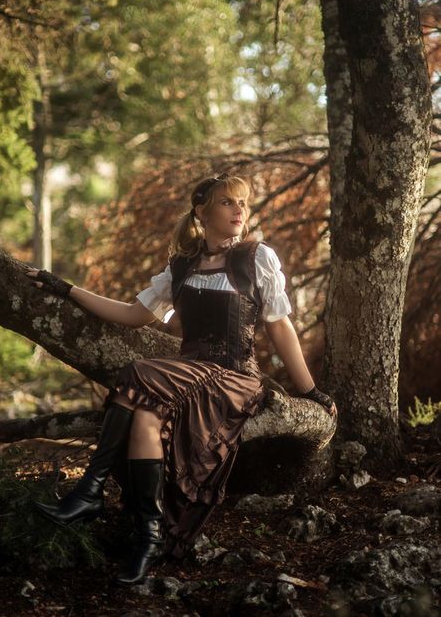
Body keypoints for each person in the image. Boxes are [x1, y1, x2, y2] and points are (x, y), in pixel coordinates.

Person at [27, 173, 336, 585]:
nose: (239, 210)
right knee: (145, 418)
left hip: (233, 378)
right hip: (187, 376)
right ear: (202, 212)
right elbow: (132, 315)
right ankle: (148, 537)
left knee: (136, 373)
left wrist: (310, 391)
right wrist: (66, 289)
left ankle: (89, 491)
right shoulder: (182, 266)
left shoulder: (254, 258)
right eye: (227, 202)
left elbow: (280, 327)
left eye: (242, 203)